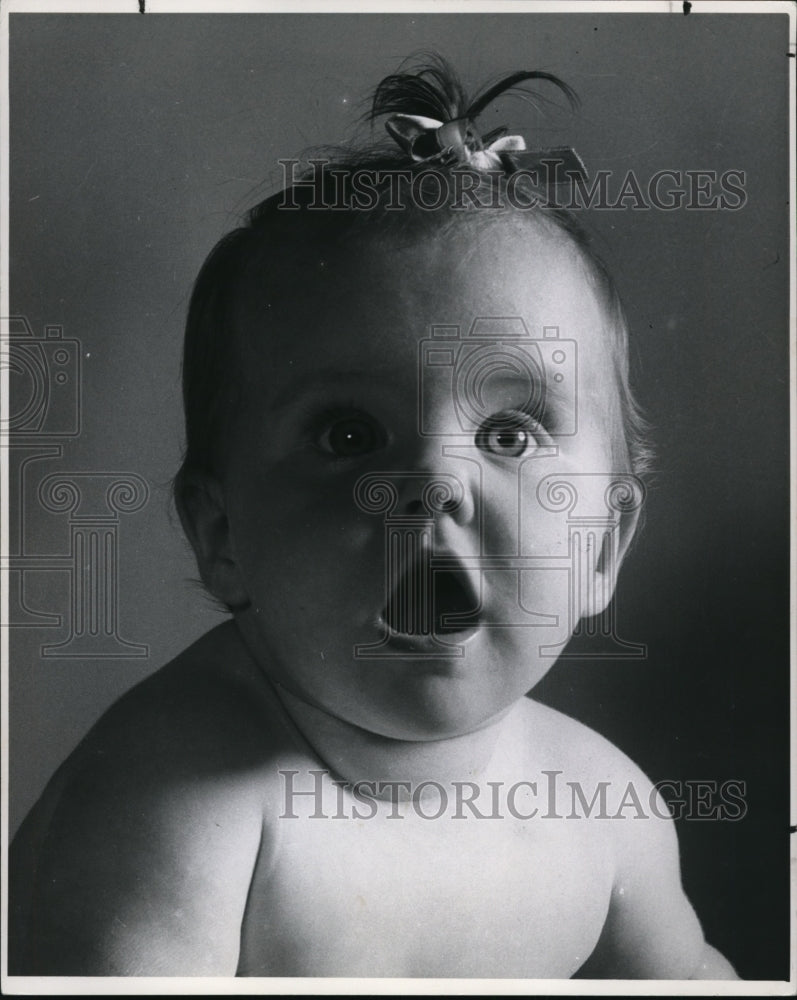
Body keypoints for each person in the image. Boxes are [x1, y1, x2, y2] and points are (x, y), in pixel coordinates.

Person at [9, 55, 738, 979]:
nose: (431, 479)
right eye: (349, 433)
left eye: (510, 435)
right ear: (222, 535)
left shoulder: (604, 806)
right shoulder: (173, 811)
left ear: (602, 546)